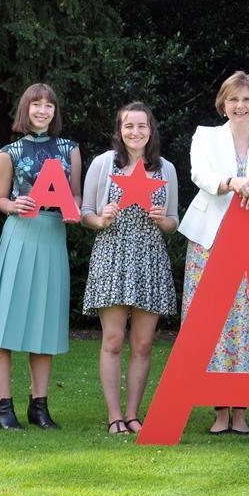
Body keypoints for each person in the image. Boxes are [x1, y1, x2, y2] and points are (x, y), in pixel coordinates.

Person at [177, 71, 249, 435]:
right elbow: (200, 174)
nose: (240, 106)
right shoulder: (205, 136)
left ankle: (241, 411)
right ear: (222, 104)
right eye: (233, 99)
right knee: (211, 321)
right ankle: (219, 411)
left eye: (246, 99)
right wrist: (232, 182)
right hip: (210, 239)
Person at [0, 83, 82, 430]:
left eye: (49, 105)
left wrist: (74, 211)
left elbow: (76, 197)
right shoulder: (9, 152)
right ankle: (3, 406)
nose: (43, 110)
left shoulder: (70, 149)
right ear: (26, 109)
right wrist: (12, 205)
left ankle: (39, 405)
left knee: (44, 324)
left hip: (52, 236)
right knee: (4, 322)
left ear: (55, 111)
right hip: (20, 235)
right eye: (36, 104)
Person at [82, 102, 179, 435]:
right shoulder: (102, 163)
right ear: (119, 130)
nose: (135, 132)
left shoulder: (165, 168)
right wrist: (101, 218)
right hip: (111, 256)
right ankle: (113, 417)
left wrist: (162, 220)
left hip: (150, 259)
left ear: (150, 129)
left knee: (142, 345)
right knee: (111, 340)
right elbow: (85, 213)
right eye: (128, 126)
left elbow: (174, 221)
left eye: (142, 126)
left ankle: (134, 414)